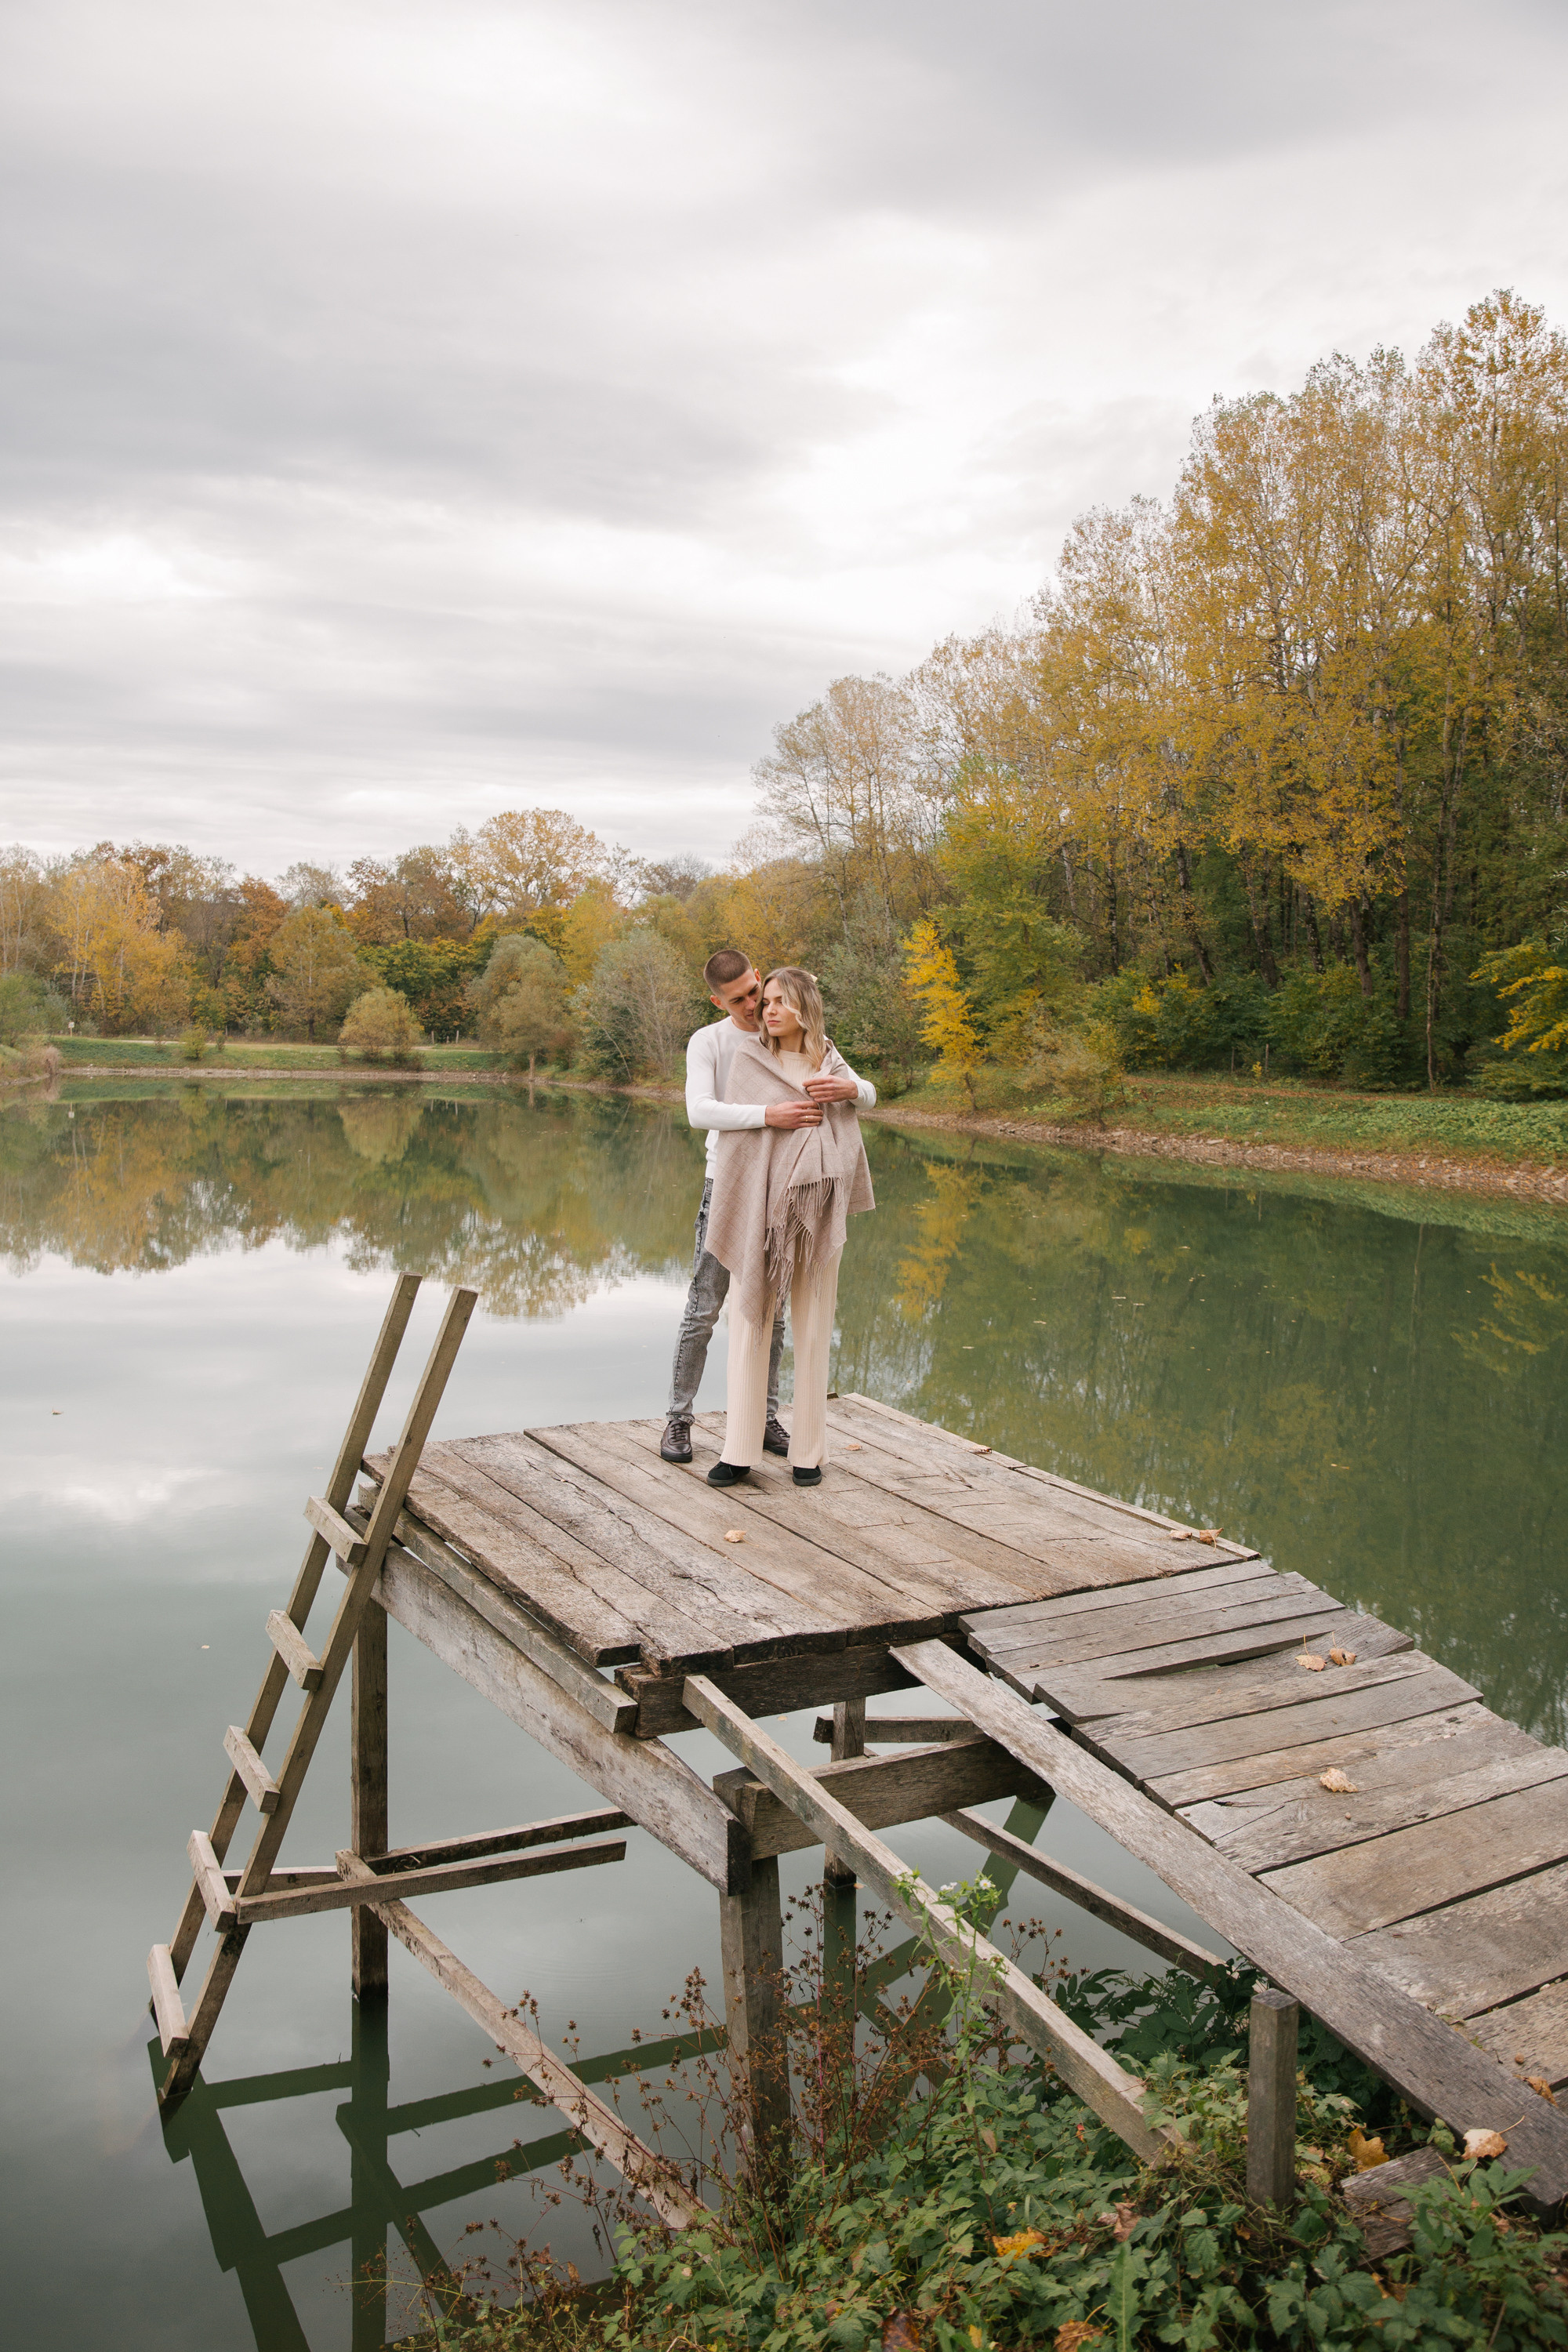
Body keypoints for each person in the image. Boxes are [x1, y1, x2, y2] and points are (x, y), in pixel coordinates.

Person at [661, 948, 875, 1463]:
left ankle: (764, 1419)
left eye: (758, 992)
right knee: (705, 1306)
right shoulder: (711, 1042)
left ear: (761, 978)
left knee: (772, 1310)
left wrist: (850, 1088)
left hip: (786, 1191)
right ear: (718, 1000)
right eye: (740, 1000)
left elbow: (855, 1085)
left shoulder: (784, 1032)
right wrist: (768, 1115)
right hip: (730, 1181)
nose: (755, 1005)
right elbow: (698, 1111)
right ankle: (678, 1420)